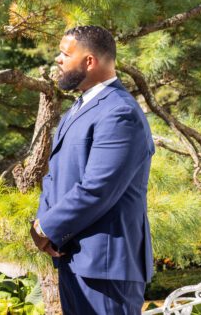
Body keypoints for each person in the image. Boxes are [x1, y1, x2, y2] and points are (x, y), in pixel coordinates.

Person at [31, 26, 155, 314]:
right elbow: (54, 175)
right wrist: (43, 224)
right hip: (72, 257)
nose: (58, 60)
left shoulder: (119, 112)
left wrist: (47, 227)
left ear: (89, 61)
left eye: (65, 54)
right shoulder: (79, 107)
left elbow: (98, 187)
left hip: (107, 267)